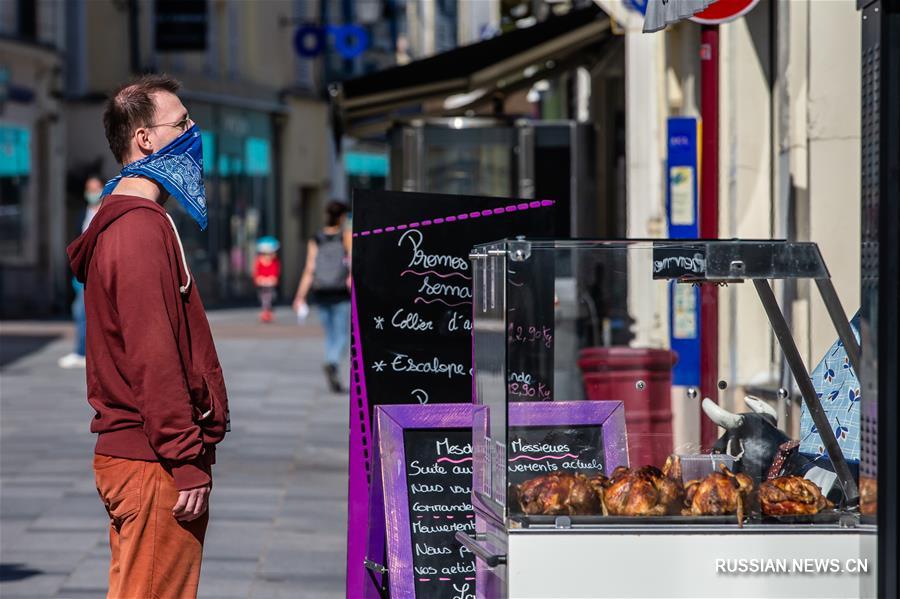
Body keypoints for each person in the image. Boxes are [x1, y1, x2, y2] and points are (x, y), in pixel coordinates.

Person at [66, 74, 229, 599]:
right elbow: (153, 356)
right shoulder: (137, 230)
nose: (192, 132)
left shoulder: (134, 222)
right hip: (152, 462)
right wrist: (184, 460)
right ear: (145, 139)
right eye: (181, 123)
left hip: (142, 456)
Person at [293, 200, 352, 393]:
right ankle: (332, 362)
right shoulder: (345, 236)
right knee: (342, 335)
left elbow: (310, 268)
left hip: (321, 291)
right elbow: (352, 263)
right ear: (342, 216)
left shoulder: (316, 238)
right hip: (340, 292)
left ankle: (330, 363)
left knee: (330, 335)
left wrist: (300, 296)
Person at [58, 175, 103, 369]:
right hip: (83, 272)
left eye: (95, 188)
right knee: (80, 311)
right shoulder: (83, 214)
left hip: (99, 271)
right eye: (89, 189)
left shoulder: (106, 211)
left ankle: (85, 353)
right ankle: (82, 352)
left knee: (86, 312)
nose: (92, 193)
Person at [253, 236, 281, 323]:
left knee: (270, 297)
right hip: (262, 285)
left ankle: (268, 311)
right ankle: (265, 312)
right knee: (263, 297)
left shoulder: (275, 262)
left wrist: (271, 279)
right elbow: (256, 273)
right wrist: (260, 279)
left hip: (270, 284)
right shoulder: (258, 261)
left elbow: (276, 274)